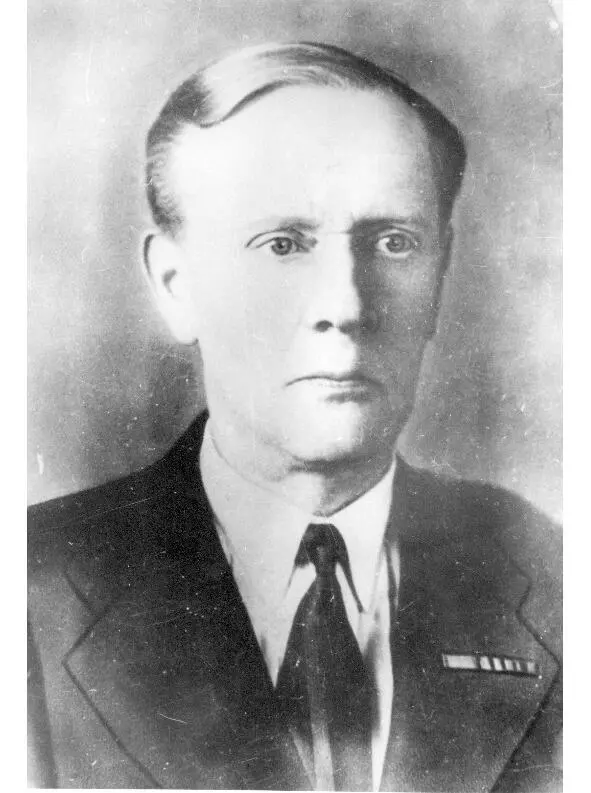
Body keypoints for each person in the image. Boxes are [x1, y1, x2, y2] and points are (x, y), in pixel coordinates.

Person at [28, 42, 562, 791]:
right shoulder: (32, 592)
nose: (345, 304)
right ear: (175, 285)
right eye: (282, 244)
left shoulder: (557, 579)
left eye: (394, 243)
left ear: (440, 275)